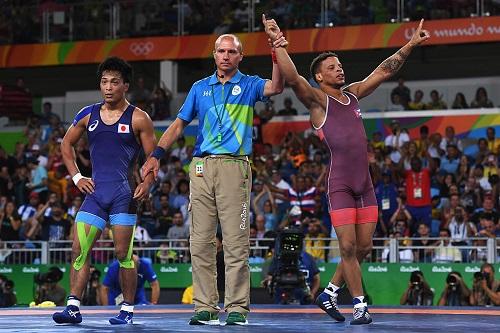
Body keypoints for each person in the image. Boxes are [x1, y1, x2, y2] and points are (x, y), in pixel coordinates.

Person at [267, 17, 429, 324]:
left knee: (363, 247)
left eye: (340, 65)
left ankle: (328, 293)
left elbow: (384, 70)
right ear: (319, 76)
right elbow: (292, 78)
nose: (339, 69)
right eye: (332, 67)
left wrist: (410, 43)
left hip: (365, 185)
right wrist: (278, 43)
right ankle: (359, 306)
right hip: (340, 184)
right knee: (348, 247)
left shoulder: (353, 94)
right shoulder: (317, 101)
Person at [140, 19, 285, 325]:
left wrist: (275, 49)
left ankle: (236, 308)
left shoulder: (249, 84)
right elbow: (178, 125)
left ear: (240, 57)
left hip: (235, 166)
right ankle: (204, 306)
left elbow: (277, 86)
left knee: (236, 241)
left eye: (231, 51)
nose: (225, 56)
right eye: (221, 51)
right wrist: (156, 155)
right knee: (200, 241)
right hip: (202, 167)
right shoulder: (199, 88)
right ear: (214, 55)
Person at [53, 57, 156, 325]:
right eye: (104, 82)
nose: (108, 87)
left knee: (123, 254)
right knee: (79, 249)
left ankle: (128, 310)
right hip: (95, 194)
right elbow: (66, 146)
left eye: (114, 82)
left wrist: (147, 183)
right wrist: (76, 176)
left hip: (124, 195)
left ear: (125, 86)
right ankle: (73, 307)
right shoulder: (88, 114)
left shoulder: (139, 118)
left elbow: (153, 158)